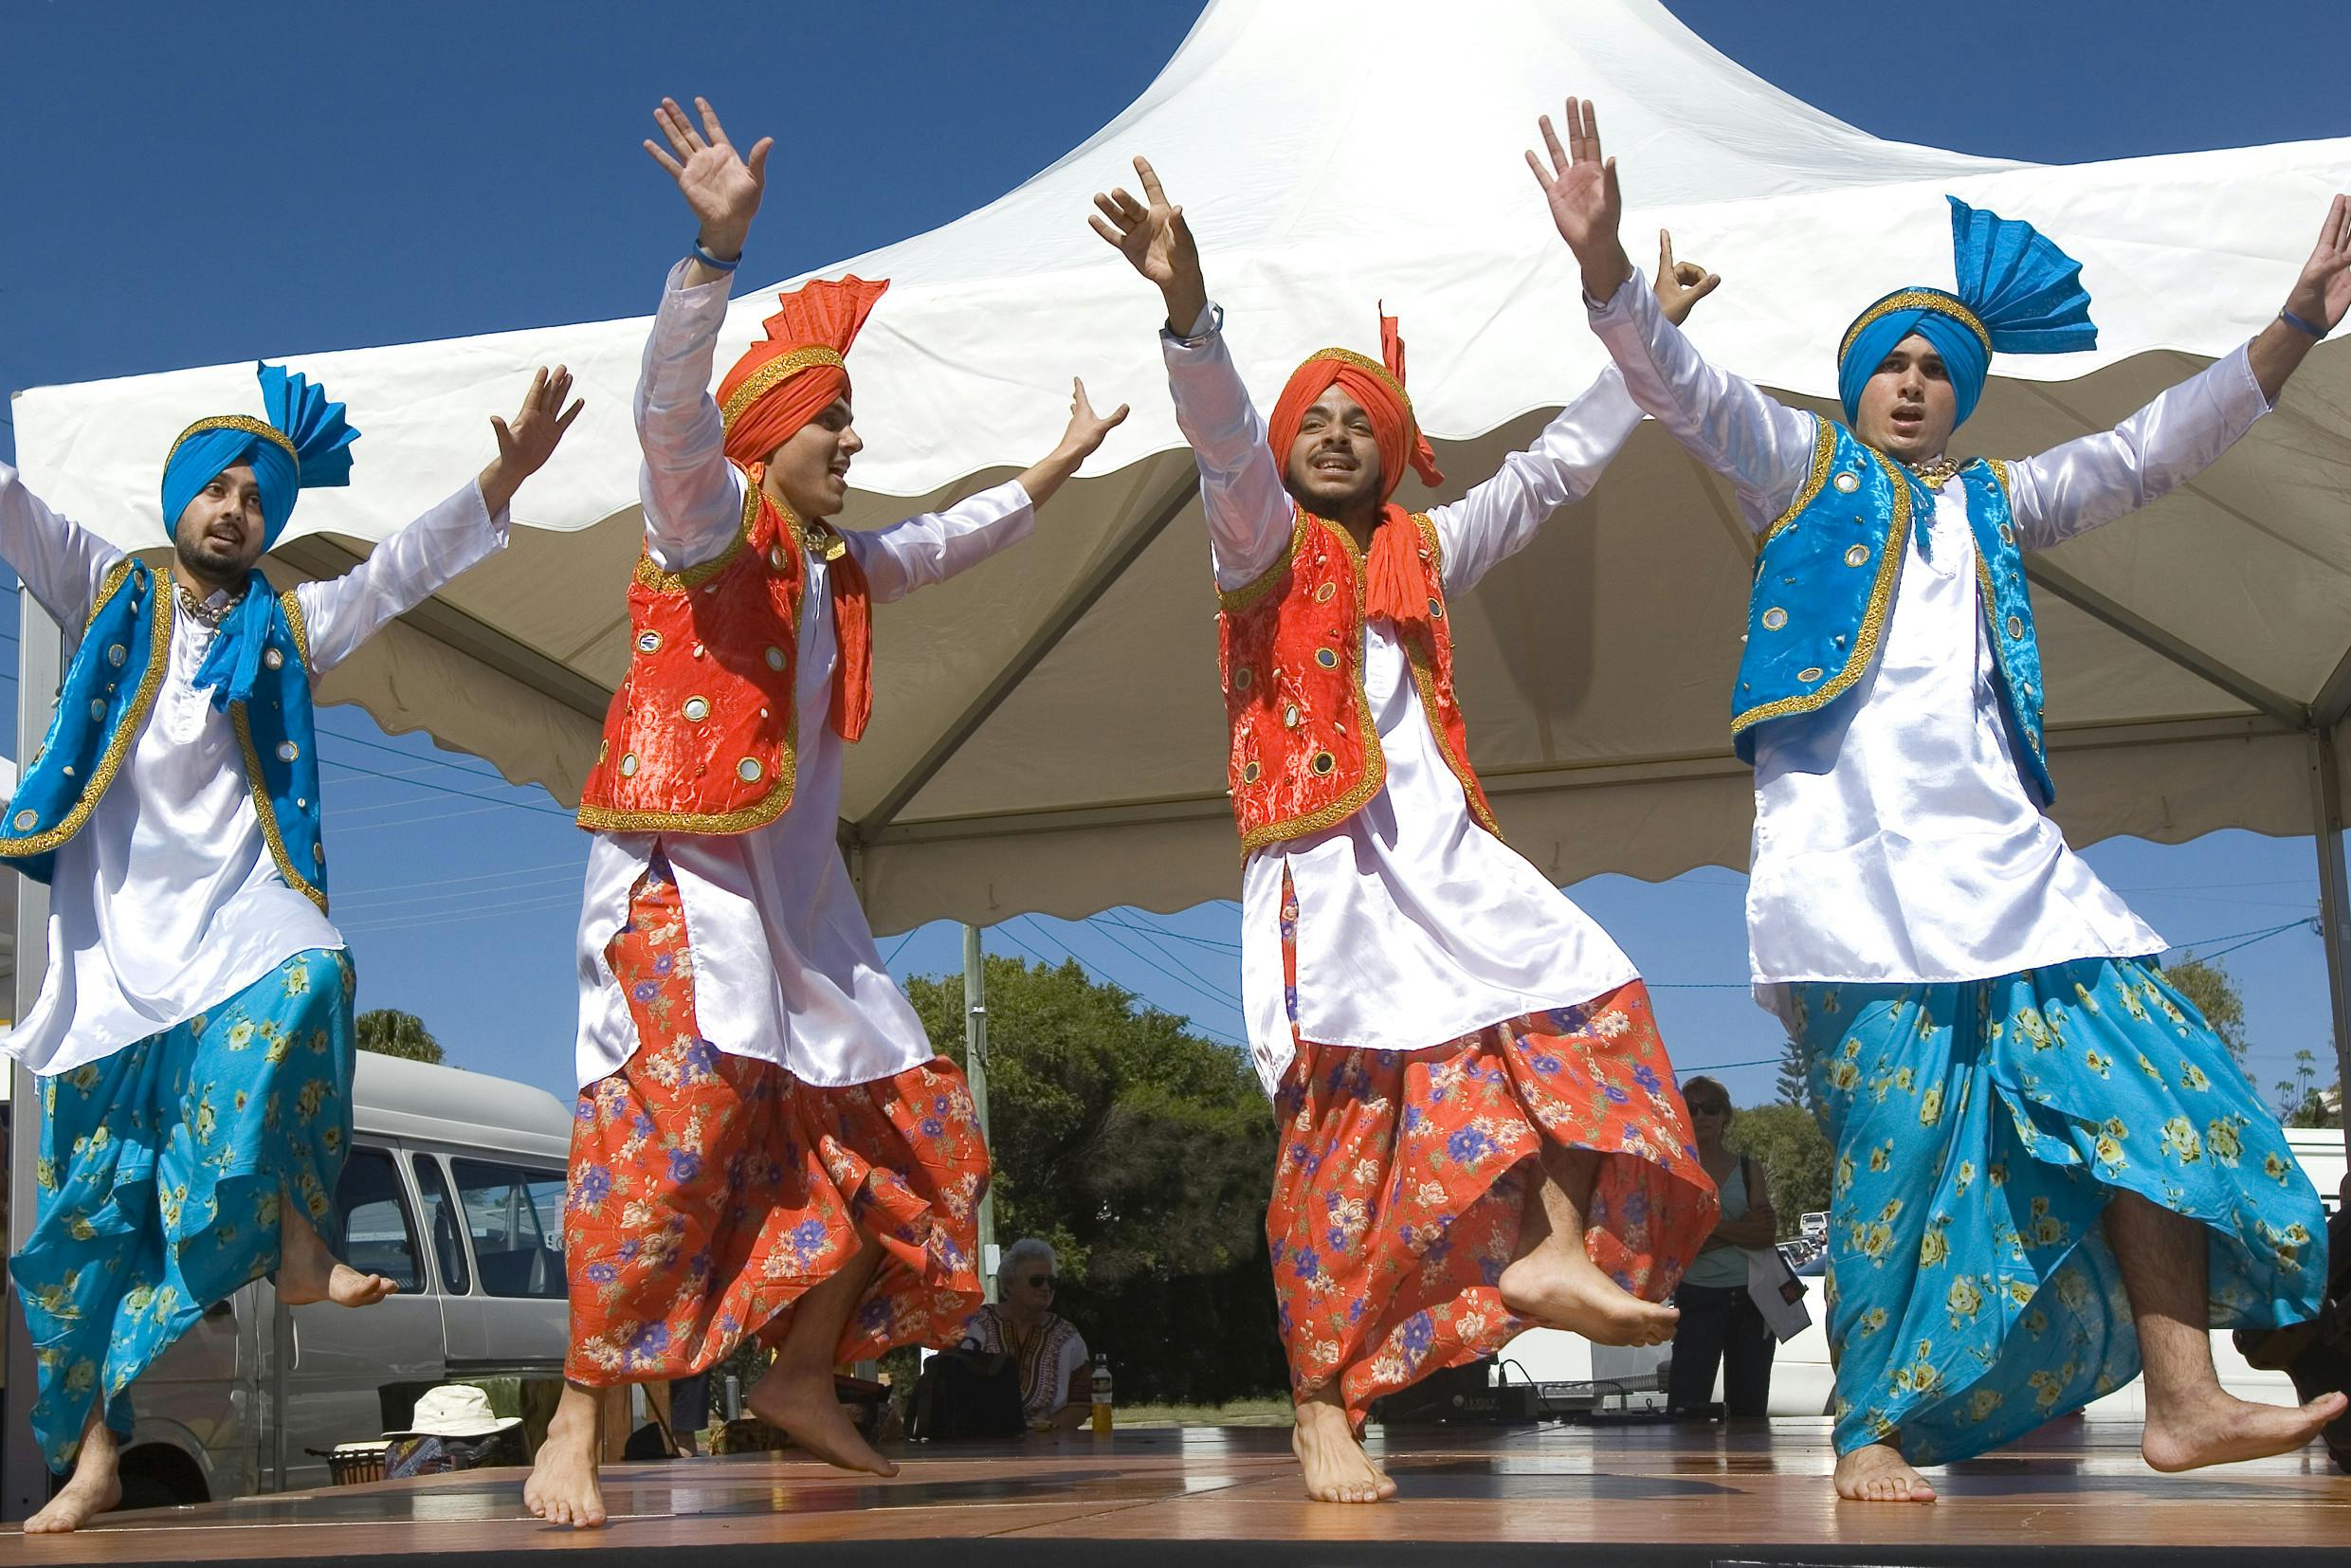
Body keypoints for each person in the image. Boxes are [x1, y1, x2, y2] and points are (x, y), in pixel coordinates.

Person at [1536, 96, 2348, 1503]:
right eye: (1889, 364)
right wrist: (1607, 274)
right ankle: (1872, 1428)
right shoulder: (1800, 473)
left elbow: (2154, 446)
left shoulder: (1999, 505)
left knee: (2157, 1097)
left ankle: (2189, 1393)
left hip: (2016, 877)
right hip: (1852, 890)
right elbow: (1681, 383)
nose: (1912, 383)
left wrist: (2290, 329)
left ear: (1963, 396)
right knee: (1897, 1167)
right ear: (1853, 387)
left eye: (1937, 368)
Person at [524, 97, 1128, 1530]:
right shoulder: (704, 523)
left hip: (801, 916)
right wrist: (710, 257)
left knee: (914, 1146)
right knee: (668, 1140)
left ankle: (801, 1376)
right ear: (772, 439)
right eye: (836, 418)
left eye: (852, 417)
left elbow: (942, 541)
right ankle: (576, 1416)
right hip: (678, 883)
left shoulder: (835, 570)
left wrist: (1050, 471)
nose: (856, 439)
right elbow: (669, 412)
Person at [1090, 156, 1720, 1505]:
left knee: (1575, 1004)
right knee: (1340, 1147)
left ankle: (1551, 1250)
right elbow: (1216, 443)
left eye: (1355, 419)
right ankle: (1322, 1402)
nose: (1328, 433)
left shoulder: (1424, 554)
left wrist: (1642, 330)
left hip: (1449, 861)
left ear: (1394, 445)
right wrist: (1191, 314)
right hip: (1329, 874)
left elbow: (1551, 476)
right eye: (1308, 419)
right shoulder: (1255, 544)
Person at [2, 358, 581, 1533]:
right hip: (113, 956)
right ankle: (97, 1456)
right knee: (84, 1230)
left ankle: (296, 1238)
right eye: (213, 489)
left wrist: (499, 478)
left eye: (255, 496)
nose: (233, 510)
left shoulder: (289, 626)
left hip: (237, 914)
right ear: (174, 504)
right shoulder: (104, 588)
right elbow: (14, 508)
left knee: (313, 968)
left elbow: (400, 571)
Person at [1665, 1077, 1778, 1419]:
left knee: (1750, 1410)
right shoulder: (1673, 1170)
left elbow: (1764, 1235)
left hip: (1752, 1299)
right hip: (1696, 1299)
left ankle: (1753, 1475)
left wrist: (1707, 1231)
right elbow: (1676, 1240)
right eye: (1692, 1108)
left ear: (1726, 1115)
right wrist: (1739, 1229)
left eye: (1711, 1107)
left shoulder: (1748, 1168)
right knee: (1687, 1409)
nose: (1702, 1116)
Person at [958, 1238, 1091, 1431]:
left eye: (1051, 1281)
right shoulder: (977, 1325)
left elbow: (1082, 1403)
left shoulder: (1068, 1336)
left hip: (1049, 1447)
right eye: (1036, 1281)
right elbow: (956, 1390)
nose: (1046, 1288)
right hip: (984, 1445)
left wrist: (1043, 1434)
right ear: (1010, 1284)